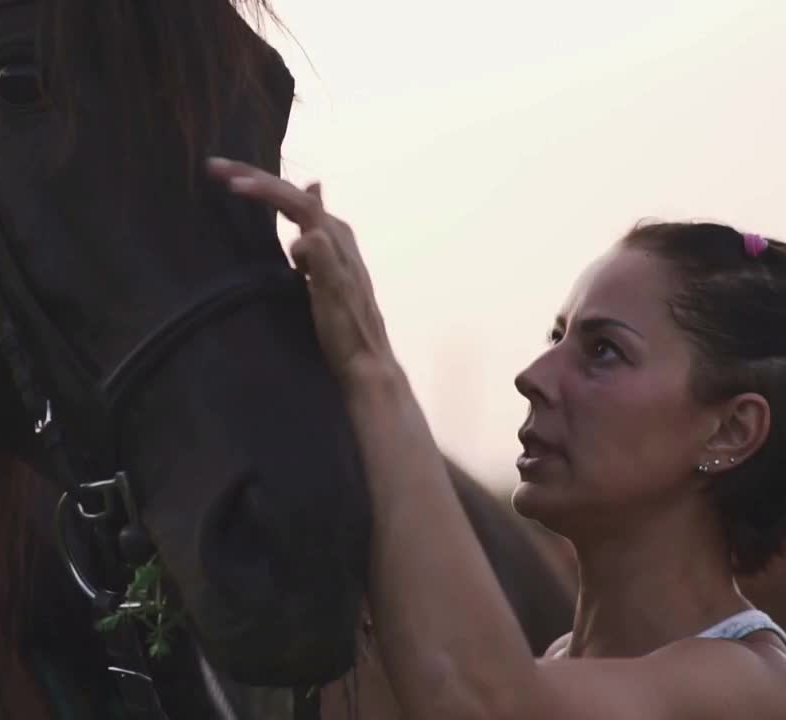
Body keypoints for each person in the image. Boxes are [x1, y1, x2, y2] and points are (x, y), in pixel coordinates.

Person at [206, 155, 786, 719]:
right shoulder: (554, 668)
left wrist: (371, 366)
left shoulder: (752, 683)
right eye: (556, 337)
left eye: (603, 350)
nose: (533, 376)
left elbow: (487, 707)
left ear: (731, 430)